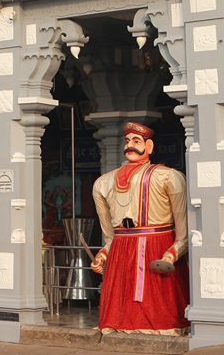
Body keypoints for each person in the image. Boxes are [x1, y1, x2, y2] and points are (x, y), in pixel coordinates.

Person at [91, 122, 189, 335]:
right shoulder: (102, 183)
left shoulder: (168, 177)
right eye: (127, 141)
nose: (130, 146)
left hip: (157, 249)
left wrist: (170, 256)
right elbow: (110, 236)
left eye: (136, 141)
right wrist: (103, 255)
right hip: (121, 252)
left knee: (162, 316)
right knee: (117, 314)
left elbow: (184, 234)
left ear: (150, 146)